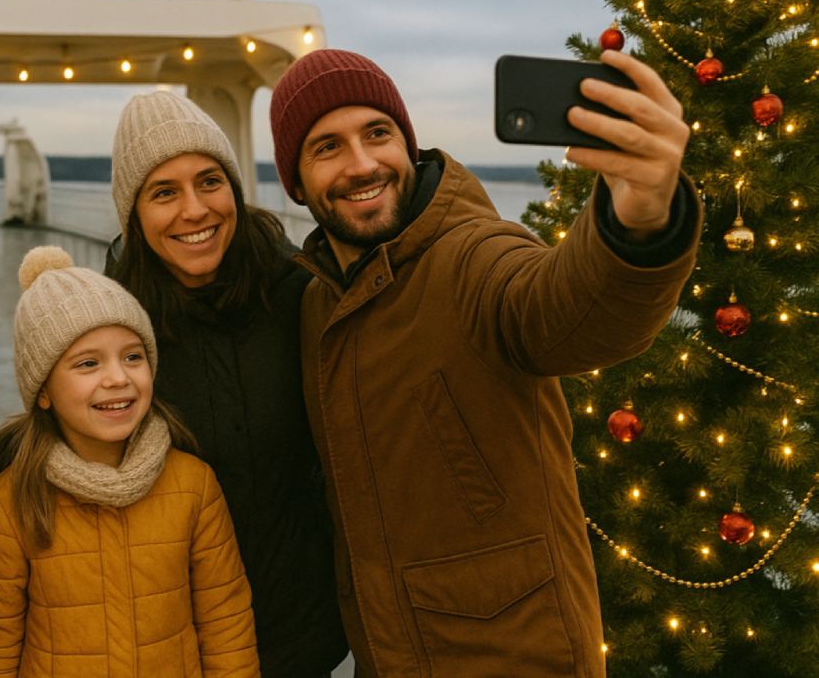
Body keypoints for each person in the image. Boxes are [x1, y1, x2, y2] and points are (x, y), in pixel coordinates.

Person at [268, 48, 700, 678]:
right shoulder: (315, 304)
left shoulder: (473, 256)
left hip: (520, 655)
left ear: (408, 145)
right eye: (326, 147)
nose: (362, 165)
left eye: (377, 133)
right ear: (295, 182)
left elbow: (570, 308)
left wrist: (638, 216)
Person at [106, 91, 348, 676]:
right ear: (134, 214)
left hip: (305, 631)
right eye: (164, 192)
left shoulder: (300, 293)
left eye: (209, 181)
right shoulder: (115, 332)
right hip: (178, 643)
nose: (195, 210)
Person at [0, 246, 259, 677]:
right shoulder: (14, 499)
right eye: (88, 363)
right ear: (44, 392)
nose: (117, 378)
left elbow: (226, 621)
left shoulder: (192, 485)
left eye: (133, 356)